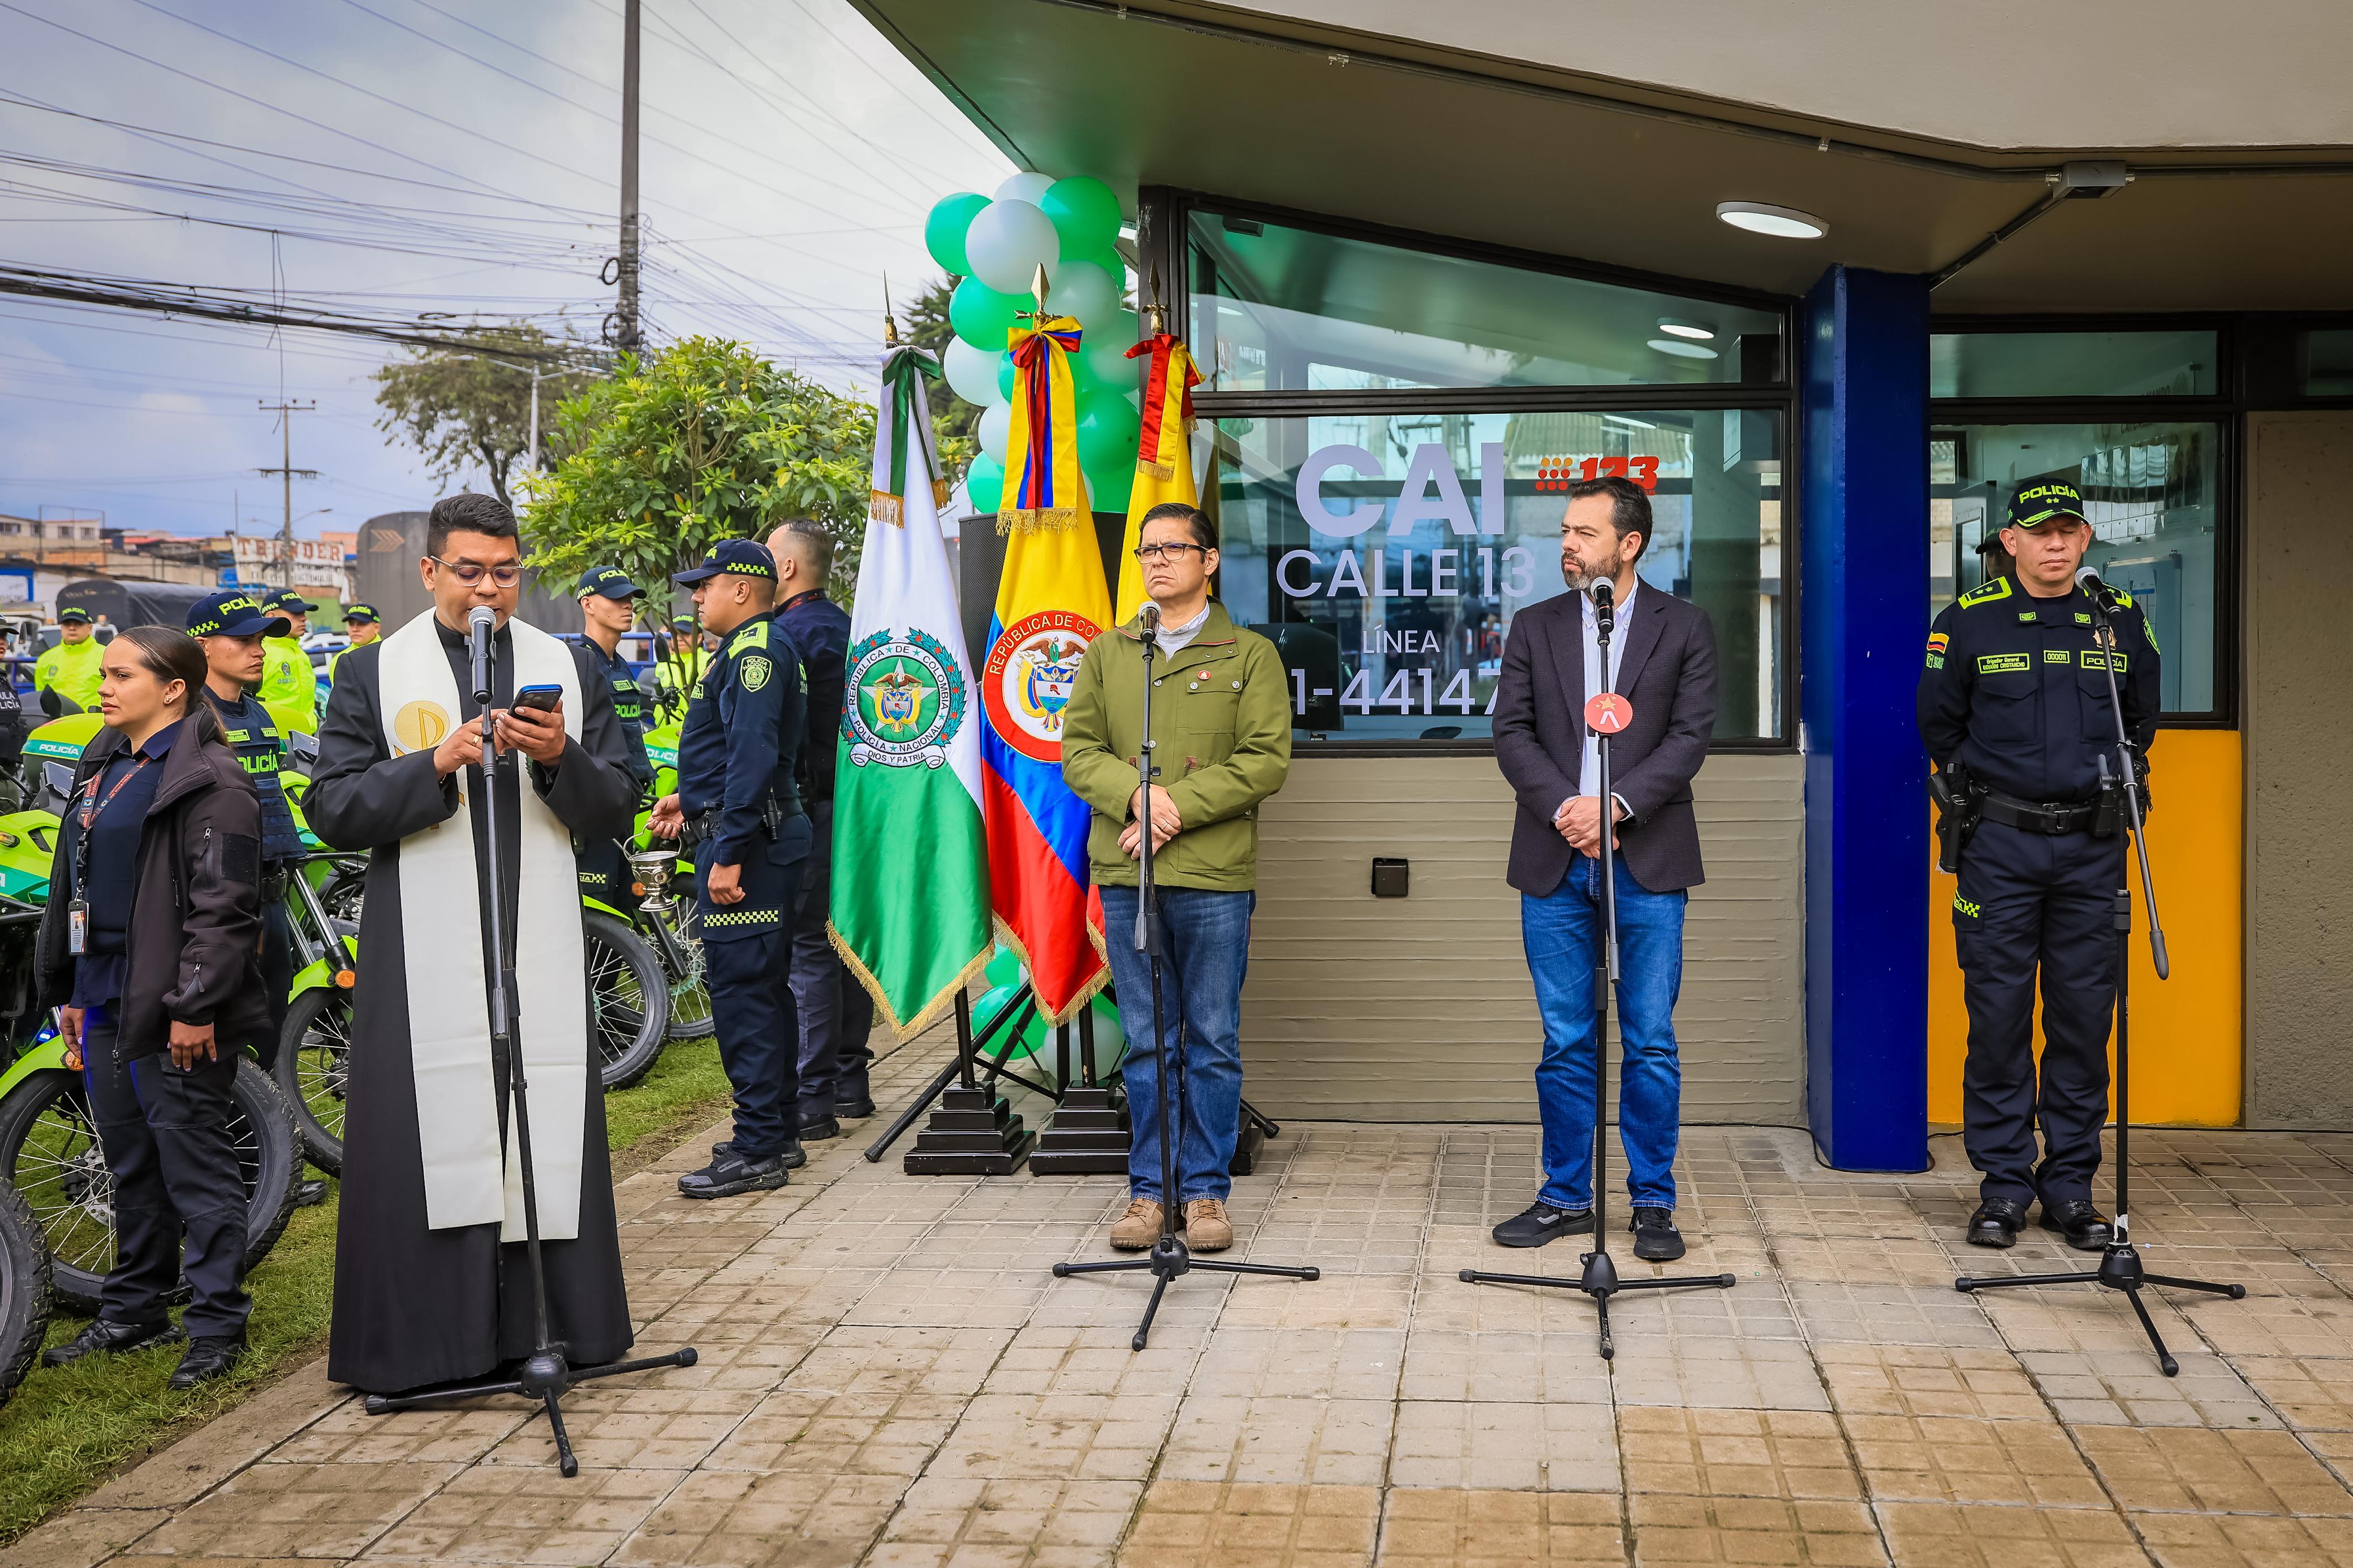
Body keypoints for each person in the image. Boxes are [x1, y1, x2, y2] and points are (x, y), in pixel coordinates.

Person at [308, 493, 644, 1394]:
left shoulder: (568, 667)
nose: (488, 589)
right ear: (430, 573)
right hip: (420, 953)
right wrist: (435, 765)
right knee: (427, 1130)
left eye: (505, 571)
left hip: (535, 935)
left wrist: (559, 758)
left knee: (543, 1119)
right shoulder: (374, 671)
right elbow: (333, 807)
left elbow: (619, 800)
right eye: (469, 572)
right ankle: (429, 1348)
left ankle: (551, 1330)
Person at [1919, 478, 2160, 1252]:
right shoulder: (1969, 623)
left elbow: (2143, 720)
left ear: (2086, 540)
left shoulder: (2118, 619)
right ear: (2010, 542)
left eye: (2069, 532)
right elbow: (1939, 725)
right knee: (1997, 1020)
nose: (2056, 546)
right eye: (2040, 533)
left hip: (2094, 848)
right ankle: (2002, 1187)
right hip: (2002, 846)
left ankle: (2070, 1188)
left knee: (2085, 1022)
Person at [33, 626, 271, 1389]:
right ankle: (136, 1309)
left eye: (120, 675)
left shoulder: (212, 780)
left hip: (174, 1002)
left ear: (174, 688)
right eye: (102, 674)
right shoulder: (102, 763)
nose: (102, 687)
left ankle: (216, 1325)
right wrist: (69, 988)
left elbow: (226, 907)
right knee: (130, 1160)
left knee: (195, 1166)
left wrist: (195, 1004)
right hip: (103, 991)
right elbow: (76, 878)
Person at [1489, 474, 1719, 1263]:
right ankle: (1564, 1196)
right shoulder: (1535, 625)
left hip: (1646, 858)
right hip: (1556, 858)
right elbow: (1512, 733)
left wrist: (1615, 806)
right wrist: (1569, 808)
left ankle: (1653, 1203)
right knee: (1565, 1039)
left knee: (1650, 1040)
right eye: (1564, 531)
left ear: (1631, 544)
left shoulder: (1684, 626)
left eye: (1584, 533)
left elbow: (1689, 740)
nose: (1567, 545)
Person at [1061, 502, 1292, 1254]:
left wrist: (1171, 808)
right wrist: (1134, 797)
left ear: (1210, 560)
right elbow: (1078, 750)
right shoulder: (1111, 652)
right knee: (1146, 1040)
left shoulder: (1249, 654)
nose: (1158, 561)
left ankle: (1205, 1194)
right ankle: (1148, 1193)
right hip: (1129, 875)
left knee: (1213, 1038)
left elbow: (1265, 760)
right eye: (1147, 550)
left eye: (1174, 548)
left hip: (1215, 878)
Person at [648, 541, 812, 1198]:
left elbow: (752, 756)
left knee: (744, 994)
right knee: (765, 990)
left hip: (751, 843)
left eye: (704, 585)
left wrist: (731, 851)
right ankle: (776, 1130)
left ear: (741, 589)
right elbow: (742, 760)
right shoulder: (760, 648)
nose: (696, 597)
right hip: (759, 829)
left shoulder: (753, 654)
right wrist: (689, 799)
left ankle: (757, 1148)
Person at [765, 519, 874, 1135]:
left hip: (815, 809)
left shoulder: (786, 637)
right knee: (846, 947)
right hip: (859, 811)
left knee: (809, 949)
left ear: (786, 569)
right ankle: (849, 1083)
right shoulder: (846, 627)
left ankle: (812, 1097)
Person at [186, 590, 305, 1069]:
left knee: (271, 1021)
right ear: (203, 648)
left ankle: (267, 1137)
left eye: (260, 639)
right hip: (222, 899)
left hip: (270, 894)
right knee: (225, 1029)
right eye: (242, 640)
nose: (258, 650)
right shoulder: (190, 716)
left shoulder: (257, 711)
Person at [574, 565, 656, 907]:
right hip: (596, 806)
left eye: (630, 599)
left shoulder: (620, 664)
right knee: (598, 909)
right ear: (588, 604)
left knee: (629, 902)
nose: (628, 606)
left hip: (627, 803)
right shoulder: (578, 662)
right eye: (617, 598)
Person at [257, 590, 318, 737]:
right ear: (271, 616)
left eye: (304, 613)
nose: (304, 618)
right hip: (276, 741)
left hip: (307, 736)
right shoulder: (260, 653)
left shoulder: (299, 652)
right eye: (296, 614)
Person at [35, 602, 104, 715]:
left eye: (78, 624)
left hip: (94, 724)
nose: (72, 628)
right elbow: (41, 697)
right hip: (57, 724)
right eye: (67, 624)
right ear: (61, 628)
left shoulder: (106, 655)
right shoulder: (45, 659)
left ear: (90, 628)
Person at [326, 603, 381, 686]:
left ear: (376, 628)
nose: (355, 629)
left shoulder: (387, 654)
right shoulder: (338, 660)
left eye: (362, 624)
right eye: (351, 624)